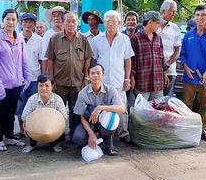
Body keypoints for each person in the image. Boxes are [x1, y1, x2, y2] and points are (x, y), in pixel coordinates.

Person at [0, 9, 31, 151]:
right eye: (8, 19)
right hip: (2, 83)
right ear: (3, 20)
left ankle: (10, 137)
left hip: (17, 83)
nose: (11, 22)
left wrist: (27, 78)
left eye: (13, 19)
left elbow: (24, 60)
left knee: (11, 112)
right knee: (0, 113)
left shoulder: (19, 39)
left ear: (17, 21)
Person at [46, 12, 92, 140]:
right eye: (68, 21)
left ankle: (74, 135)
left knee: (75, 111)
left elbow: (87, 58)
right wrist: (51, 79)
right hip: (59, 83)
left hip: (78, 82)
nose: (71, 24)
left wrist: (86, 77)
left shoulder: (83, 39)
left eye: (73, 21)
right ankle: (58, 136)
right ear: (63, 23)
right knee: (58, 111)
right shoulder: (54, 39)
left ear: (77, 23)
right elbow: (50, 59)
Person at [91, 10, 134, 143]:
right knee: (102, 107)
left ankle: (123, 133)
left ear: (119, 23)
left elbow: (127, 60)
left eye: (113, 21)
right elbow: (93, 60)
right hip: (101, 81)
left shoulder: (124, 39)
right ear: (103, 23)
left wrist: (127, 78)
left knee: (121, 107)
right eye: (107, 21)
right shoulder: (97, 40)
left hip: (118, 80)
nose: (110, 24)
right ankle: (103, 133)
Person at [181, 5, 206, 142]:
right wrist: (185, 67)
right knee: (186, 105)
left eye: (203, 15)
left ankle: (203, 130)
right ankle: (186, 130)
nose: (200, 18)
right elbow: (183, 54)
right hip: (189, 78)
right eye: (197, 15)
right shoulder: (188, 36)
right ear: (194, 17)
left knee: (205, 106)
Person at [72, 64, 125, 156]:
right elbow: (82, 116)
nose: (95, 75)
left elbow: (121, 109)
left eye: (98, 73)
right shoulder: (83, 93)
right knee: (77, 138)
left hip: (105, 123)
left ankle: (109, 144)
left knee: (112, 118)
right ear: (88, 76)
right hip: (89, 122)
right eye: (92, 73)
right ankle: (96, 141)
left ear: (103, 75)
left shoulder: (111, 90)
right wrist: (91, 133)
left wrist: (100, 108)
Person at [21, 74, 67, 153]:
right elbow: (24, 116)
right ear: (37, 86)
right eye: (41, 85)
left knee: (58, 129)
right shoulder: (32, 99)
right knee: (28, 124)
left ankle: (54, 144)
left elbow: (64, 117)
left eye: (47, 85)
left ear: (52, 86)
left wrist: (50, 122)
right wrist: (29, 122)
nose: (43, 88)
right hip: (36, 128)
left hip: (53, 129)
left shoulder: (58, 99)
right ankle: (32, 144)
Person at [130, 11, 169, 101]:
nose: (159, 25)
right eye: (157, 23)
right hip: (142, 82)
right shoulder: (135, 38)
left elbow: (161, 57)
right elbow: (132, 61)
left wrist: (164, 73)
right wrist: (132, 77)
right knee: (141, 111)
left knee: (158, 109)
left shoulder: (158, 38)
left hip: (158, 81)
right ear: (150, 22)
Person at [15, 12, 43, 139]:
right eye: (25, 22)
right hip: (19, 80)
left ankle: (34, 130)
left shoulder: (39, 40)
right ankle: (22, 130)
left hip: (35, 79)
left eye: (31, 22)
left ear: (34, 24)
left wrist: (43, 78)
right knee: (21, 106)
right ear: (21, 24)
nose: (28, 24)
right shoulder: (15, 38)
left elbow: (42, 60)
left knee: (35, 105)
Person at [158, 0, 182, 96]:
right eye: (171, 11)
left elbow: (178, 50)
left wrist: (167, 64)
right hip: (154, 70)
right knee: (154, 101)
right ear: (164, 10)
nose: (173, 14)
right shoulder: (154, 26)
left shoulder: (175, 28)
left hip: (170, 70)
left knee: (165, 100)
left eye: (175, 11)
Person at [41, 6, 66, 74]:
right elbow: (44, 57)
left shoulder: (69, 33)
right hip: (53, 71)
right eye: (54, 16)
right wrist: (44, 76)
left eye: (59, 15)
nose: (56, 18)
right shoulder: (48, 35)